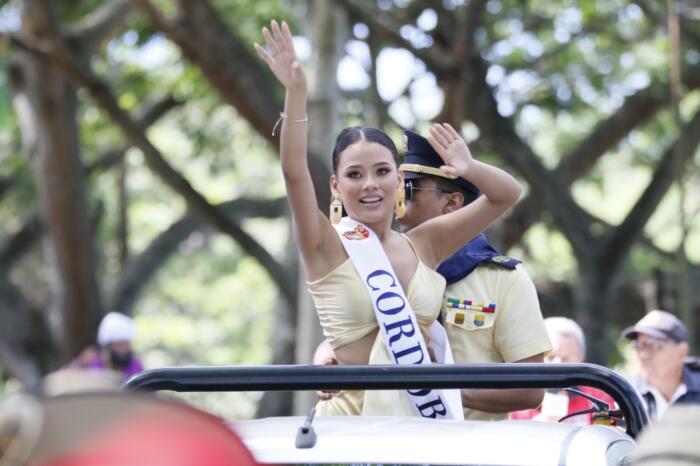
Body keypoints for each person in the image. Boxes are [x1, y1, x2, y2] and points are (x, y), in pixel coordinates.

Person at [254, 20, 522, 417]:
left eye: (382, 171)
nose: (370, 186)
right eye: (355, 175)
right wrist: (296, 92)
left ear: (399, 178)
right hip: (350, 429)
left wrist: (468, 166)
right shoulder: (325, 245)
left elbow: (506, 194)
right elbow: (294, 172)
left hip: (420, 427)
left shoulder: (425, 243)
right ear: (334, 185)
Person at [314, 129, 551, 420]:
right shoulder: (370, 259)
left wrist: (436, 387)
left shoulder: (502, 279)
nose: (390, 193)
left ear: (451, 203)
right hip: (361, 435)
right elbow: (366, 336)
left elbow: (531, 389)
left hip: (459, 445)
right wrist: (325, 354)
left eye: (409, 188)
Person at [509, 317, 616, 424]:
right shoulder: (518, 399)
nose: (557, 365)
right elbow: (508, 437)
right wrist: (539, 424)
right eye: (551, 357)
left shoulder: (598, 398)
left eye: (565, 359)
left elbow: (608, 432)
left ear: (580, 360)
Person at [622, 309, 700, 421]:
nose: (644, 355)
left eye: (653, 345)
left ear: (682, 351)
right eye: (638, 345)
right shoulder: (626, 394)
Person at [72, 311, 144, 381]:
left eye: (126, 344)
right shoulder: (93, 362)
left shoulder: (134, 364)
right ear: (108, 346)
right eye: (119, 345)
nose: (123, 349)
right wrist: (79, 364)